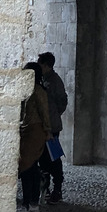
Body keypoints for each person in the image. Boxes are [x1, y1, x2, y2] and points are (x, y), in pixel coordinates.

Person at [17, 62, 51, 212]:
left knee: (26, 167)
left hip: (35, 131)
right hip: (28, 130)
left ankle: (27, 204)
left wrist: (48, 131)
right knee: (30, 167)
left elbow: (44, 112)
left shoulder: (38, 91)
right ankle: (32, 202)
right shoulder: (27, 90)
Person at [37, 51, 68, 204]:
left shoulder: (55, 81)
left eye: (40, 63)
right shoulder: (42, 79)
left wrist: (54, 114)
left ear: (46, 65)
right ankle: (46, 187)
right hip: (44, 126)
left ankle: (57, 188)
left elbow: (62, 101)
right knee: (43, 158)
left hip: (53, 126)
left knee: (54, 158)